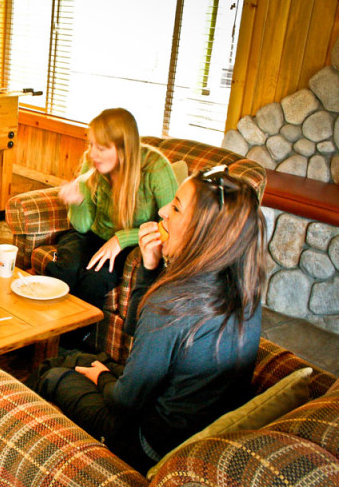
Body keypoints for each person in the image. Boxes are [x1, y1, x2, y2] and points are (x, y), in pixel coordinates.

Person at [32, 167, 265, 472]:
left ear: (203, 231)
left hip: (148, 444)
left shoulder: (173, 301)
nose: (162, 210)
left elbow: (125, 401)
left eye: (177, 207)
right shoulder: (244, 290)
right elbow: (137, 331)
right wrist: (150, 265)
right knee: (76, 358)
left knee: (49, 372)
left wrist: (102, 376)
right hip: (192, 431)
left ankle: (43, 458)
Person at [45, 108, 178, 314]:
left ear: (124, 149)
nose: (92, 154)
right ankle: (41, 324)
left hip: (132, 244)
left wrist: (121, 239)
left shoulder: (156, 168)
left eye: (101, 148)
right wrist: (78, 200)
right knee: (67, 266)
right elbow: (82, 226)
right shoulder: (92, 162)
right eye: (91, 145)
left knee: (96, 278)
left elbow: (173, 225)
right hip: (94, 234)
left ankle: (68, 339)